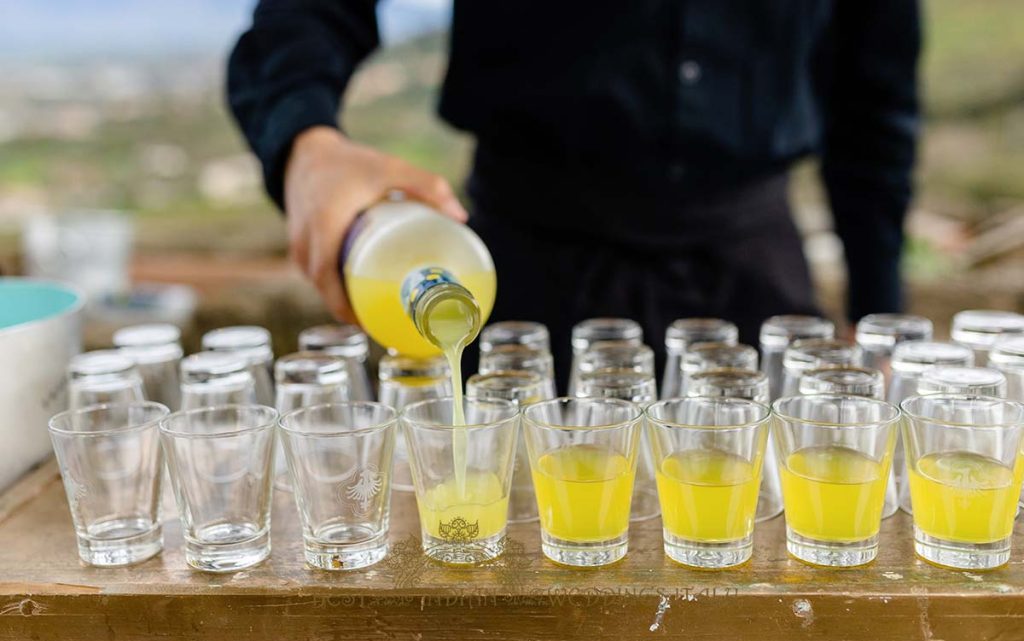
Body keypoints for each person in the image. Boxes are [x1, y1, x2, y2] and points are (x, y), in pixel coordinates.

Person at [227, 1, 920, 388]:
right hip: (521, 275)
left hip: (753, 275)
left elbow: (875, 101)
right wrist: (306, 139)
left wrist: (879, 312)